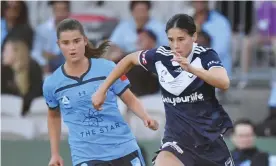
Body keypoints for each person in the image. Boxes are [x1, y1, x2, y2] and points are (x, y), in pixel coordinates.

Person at [92, 14, 234, 166]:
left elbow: (224, 82)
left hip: (209, 142)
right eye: (171, 40)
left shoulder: (206, 55)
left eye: (181, 39)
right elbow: (129, 59)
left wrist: (192, 69)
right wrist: (103, 89)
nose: (175, 45)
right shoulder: (161, 56)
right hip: (177, 140)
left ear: (193, 36)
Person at [42, 18, 159, 166]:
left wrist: (145, 116)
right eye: (66, 43)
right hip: (86, 156)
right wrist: (55, 154)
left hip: (123, 148)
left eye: (76, 41)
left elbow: (129, 99)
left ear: (84, 40)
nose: (72, 47)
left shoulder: (107, 68)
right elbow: (53, 117)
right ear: (59, 45)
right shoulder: (52, 83)